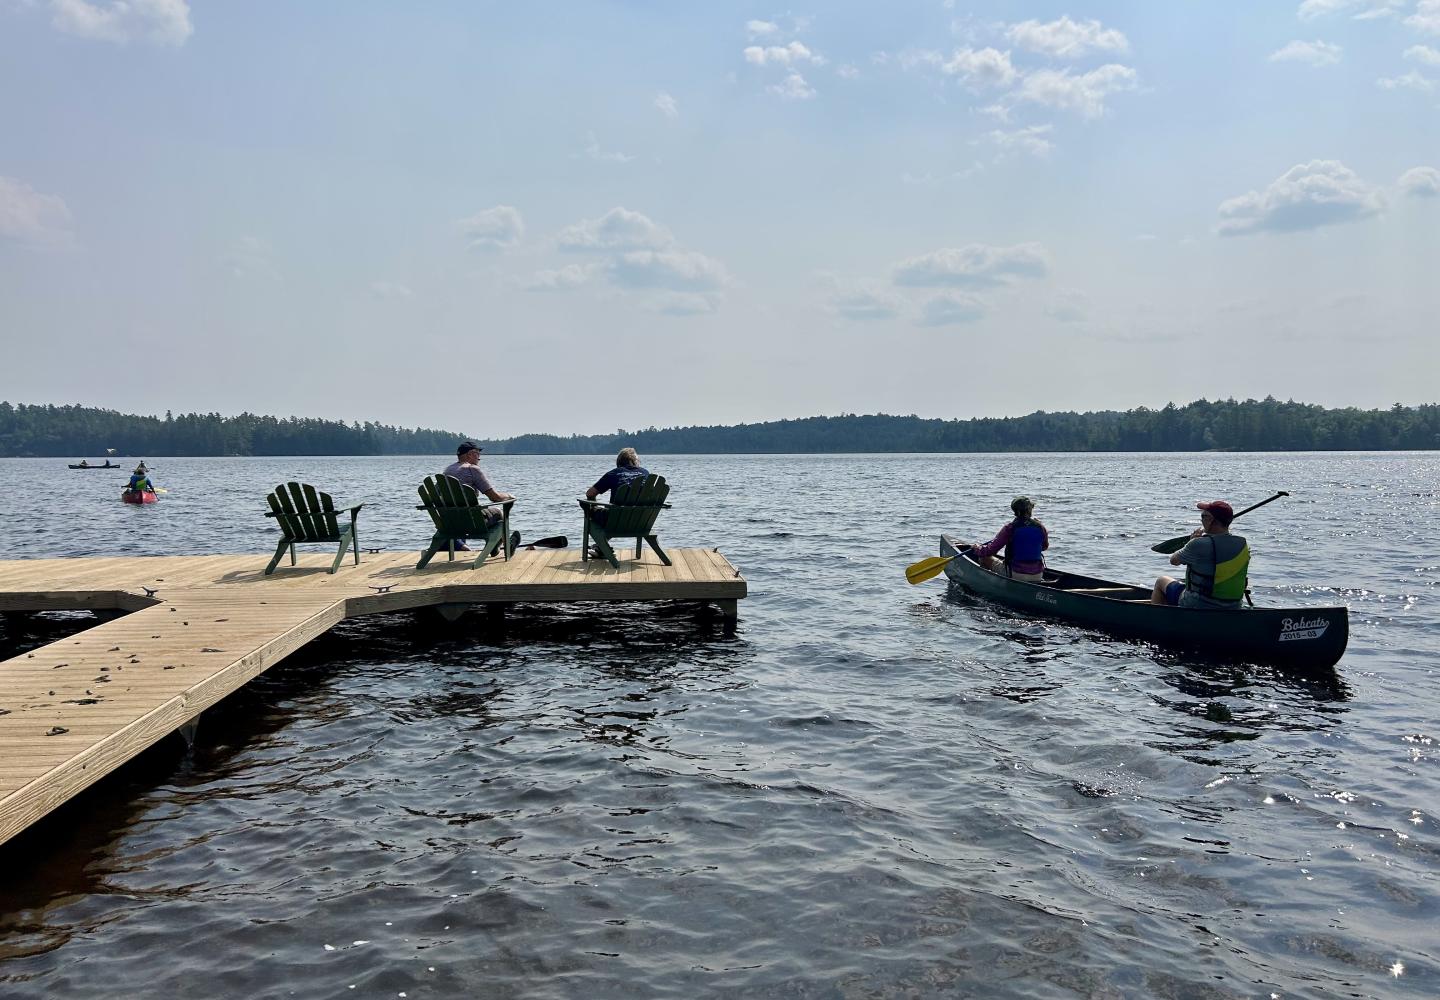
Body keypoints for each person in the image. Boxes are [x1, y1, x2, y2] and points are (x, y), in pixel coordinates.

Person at [1151, 500, 1250, 608]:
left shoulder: (1198, 544)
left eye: (1203, 516)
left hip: (1198, 603)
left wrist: (1191, 541)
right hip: (1234, 605)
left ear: (1210, 520)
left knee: (1161, 581)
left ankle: (1158, 619)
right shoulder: (1243, 544)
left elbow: (1174, 561)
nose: (1201, 520)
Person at [442, 442, 517, 552]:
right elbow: (495, 497)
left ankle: (494, 545)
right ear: (470, 454)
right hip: (470, 522)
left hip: (450, 521)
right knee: (499, 513)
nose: (479, 458)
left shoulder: (447, 470)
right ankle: (504, 546)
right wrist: (510, 496)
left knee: (486, 513)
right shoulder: (472, 469)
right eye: (478, 454)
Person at [970, 496, 1049, 583]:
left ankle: (989, 585)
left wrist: (977, 548)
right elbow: (1044, 547)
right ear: (1029, 510)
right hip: (1037, 575)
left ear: (1016, 511)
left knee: (984, 558)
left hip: (1016, 574)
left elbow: (990, 551)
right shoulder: (1040, 527)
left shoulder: (1010, 528)